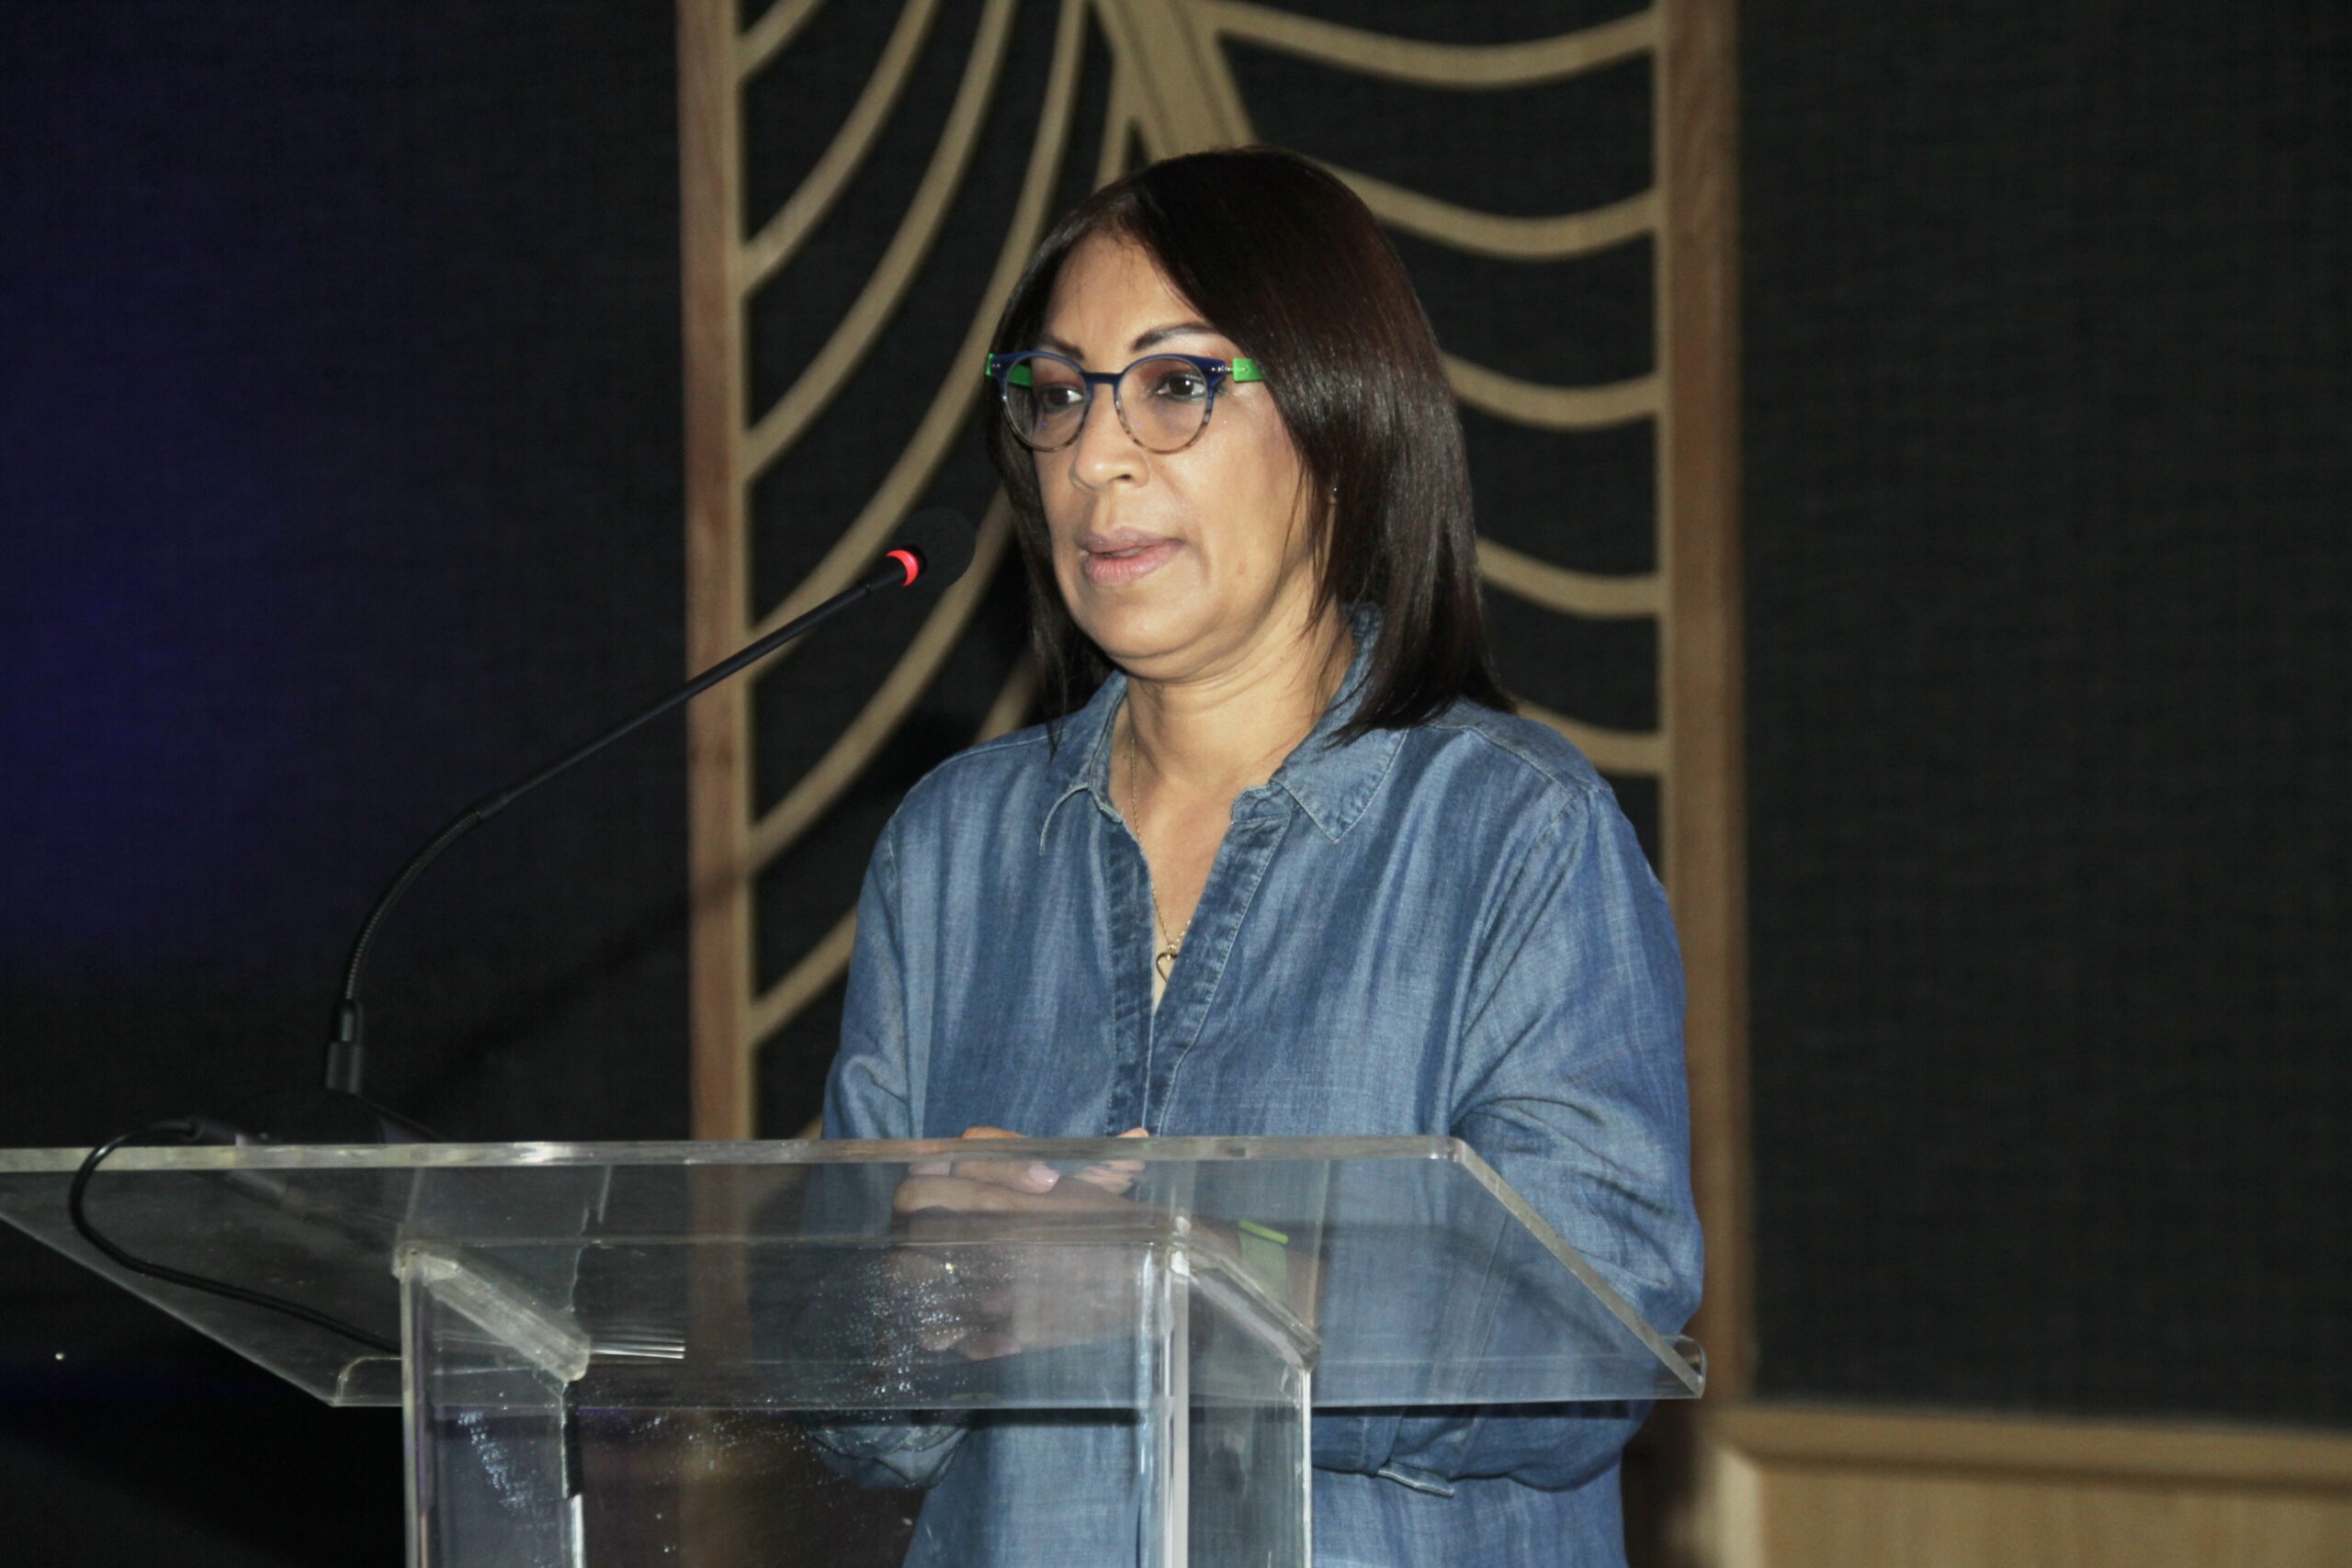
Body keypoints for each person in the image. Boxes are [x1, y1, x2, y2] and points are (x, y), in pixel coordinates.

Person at [821, 145, 1702, 1568]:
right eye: (1058, 393)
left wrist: (1179, 1274)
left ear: (1341, 417)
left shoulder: (1508, 833)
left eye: (1176, 384)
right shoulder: (954, 848)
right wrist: (923, 1297)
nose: (1095, 453)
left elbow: (1585, 1341)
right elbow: (851, 1409)